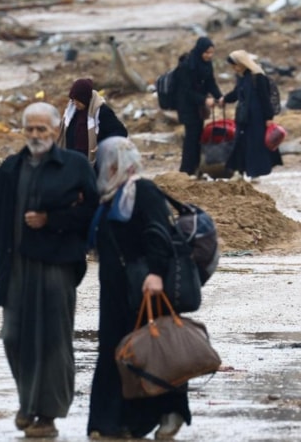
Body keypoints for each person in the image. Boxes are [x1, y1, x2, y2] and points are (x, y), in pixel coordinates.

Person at [0, 102, 98, 438]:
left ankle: (47, 415)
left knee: (53, 342)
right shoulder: (11, 168)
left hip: (56, 265)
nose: (35, 135)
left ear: (55, 130)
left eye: (41, 129)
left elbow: (92, 212)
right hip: (15, 268)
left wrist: (52, 220)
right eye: (29, 129)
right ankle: (27, 403)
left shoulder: (74, 166)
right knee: (14, 337)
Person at [86, 136, 190, 440]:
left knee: (151, 351)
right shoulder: (107, 197)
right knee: (113, 353)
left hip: (144, 287)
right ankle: (107, 425)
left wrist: (156, 273)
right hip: (114, 290)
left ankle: (164, 413)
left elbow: (160, 234)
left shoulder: (142, 191)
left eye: (111, 161)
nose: (107, 166)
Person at [218, 50, 282, 181]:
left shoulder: (258, 77)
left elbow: (265, 99)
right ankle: (239, 172)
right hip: (243, 116)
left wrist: (269, 117)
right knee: (240, 143)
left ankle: (255, 173)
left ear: (242, 63)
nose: (234, 68)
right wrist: (225, 99)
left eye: (235, 65)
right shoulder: (241, 77)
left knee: (255, 145)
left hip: (257, 117)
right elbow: (237, 93)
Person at [174, 37, 222, 176]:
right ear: (200, 51)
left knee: (198, 136)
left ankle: (195, 168)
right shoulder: (188, 65)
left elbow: (210, 82)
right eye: (206, 53)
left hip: (198, 106)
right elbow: (186, 91)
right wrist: (204, 100)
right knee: (192, 137)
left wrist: (219, 97)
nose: (209, 56)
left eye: (211, 53)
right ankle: (186, 171)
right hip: (187, 106)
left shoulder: (206, 64)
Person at [57, 78, 128, 163]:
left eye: (78, 101)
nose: (75, 103)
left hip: (94, 162)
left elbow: (120, 132)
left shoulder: (102, 111)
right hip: (73, 160)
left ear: (85, 98)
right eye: (74, 100)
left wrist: (102, 145)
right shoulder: (72, 111)